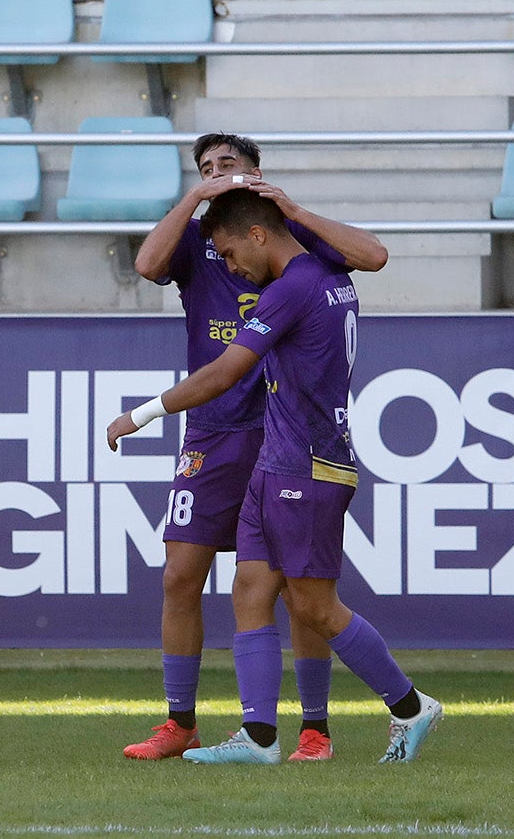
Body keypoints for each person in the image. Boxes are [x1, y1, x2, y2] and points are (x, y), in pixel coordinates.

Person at [109, 189, 442, 765]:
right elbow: (368, 255)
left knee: (315, 608)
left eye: (233, 254)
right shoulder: (329, 271)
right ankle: (260, 737)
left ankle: (410, 706)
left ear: (259, 234)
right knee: (250, 589)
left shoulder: (292, 288)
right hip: (278, 460)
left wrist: (140, 415)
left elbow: (223, 373)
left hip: (307, 465)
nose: (232, 268)